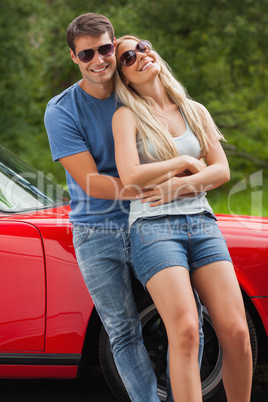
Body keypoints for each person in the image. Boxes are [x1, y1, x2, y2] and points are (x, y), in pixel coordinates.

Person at [44, 13, 204, 402]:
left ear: (114, 48)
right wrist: (165, 187)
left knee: (190, 322)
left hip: (153, 222)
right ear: (74, 57)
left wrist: (179, 187)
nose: (98, 60)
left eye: (104, 50)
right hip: (96, 229)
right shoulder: (62, 110)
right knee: (123, 329)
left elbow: (182, 135)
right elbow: (93, 183)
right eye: (87, 54)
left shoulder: (136, 90)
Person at [112, 35, 253, 402]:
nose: (140, 55)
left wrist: (176, 186)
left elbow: (221, 171)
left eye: (142, 46)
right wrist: (186, 163)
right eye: (128, 56)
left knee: (237, 332)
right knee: (187, 330)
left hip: (202, 224)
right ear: (124, 77)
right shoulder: (126, 116)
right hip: (153, 228)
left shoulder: (195, 110)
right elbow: (130, 175)